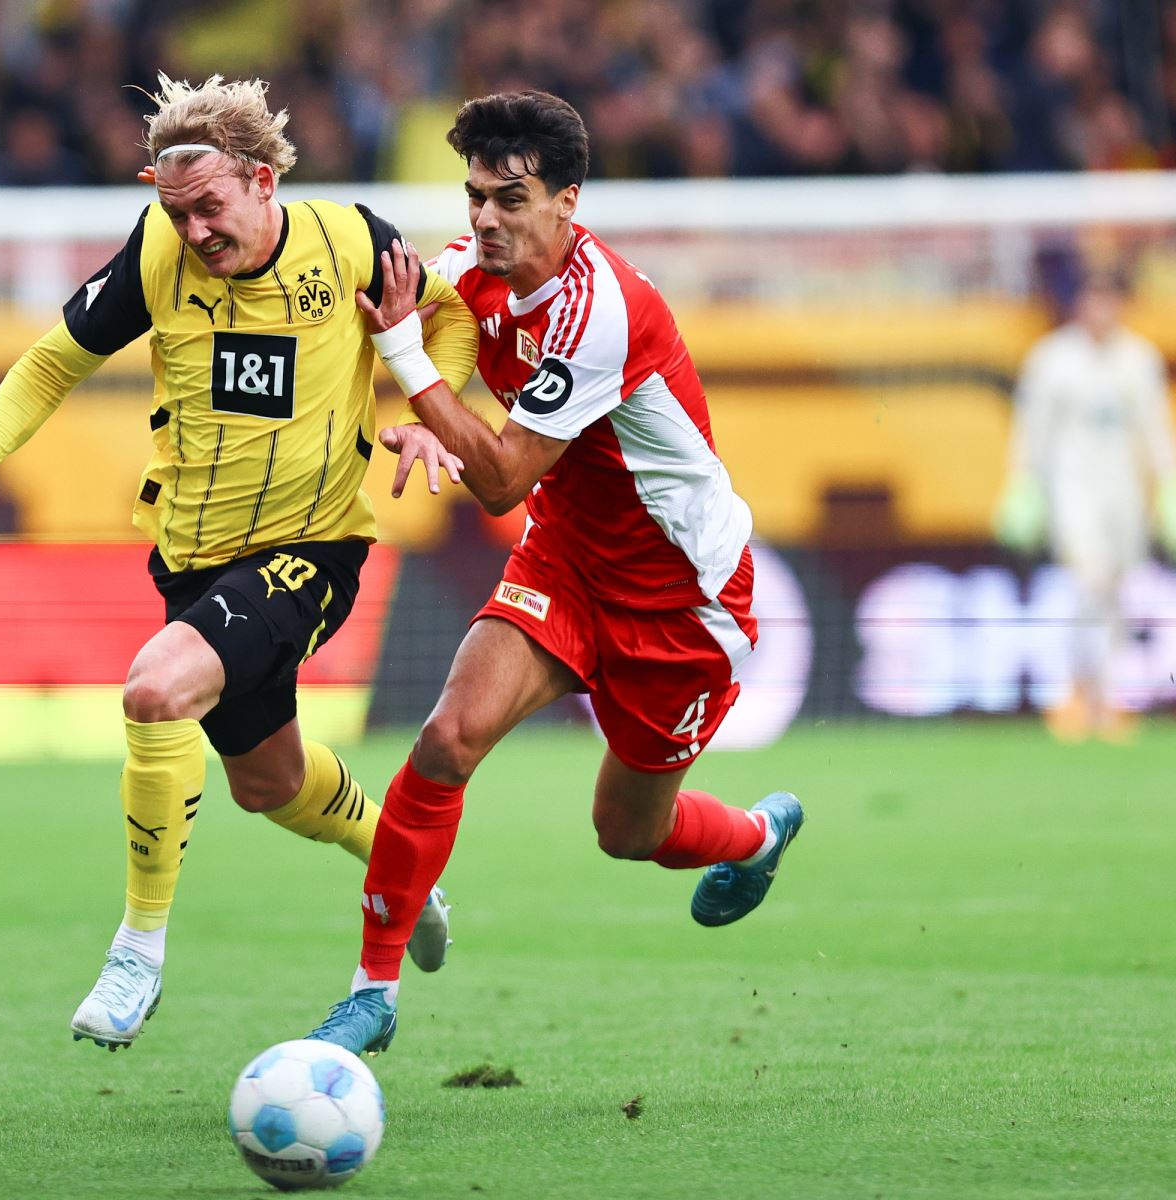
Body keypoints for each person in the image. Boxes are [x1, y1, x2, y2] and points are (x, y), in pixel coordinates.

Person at [0, 74, 478, 1053]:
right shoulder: (158, 251)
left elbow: (450, 316)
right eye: (177, 211)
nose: (196, 231)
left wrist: (431, 408)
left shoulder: (351, 243)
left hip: (311, 549)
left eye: (211, 207)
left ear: (261, 181)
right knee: (272, 784)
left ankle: (138, 949)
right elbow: (51, 362)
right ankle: (401, 865)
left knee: (157, 690)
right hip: (192, 559)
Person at [299, 91, 806, 1056]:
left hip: (684, 602)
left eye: (513, 199)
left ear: (569, 202)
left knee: (626, 831)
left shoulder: (598, 310)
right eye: (476, 195)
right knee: (448, 737)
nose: (486, 218)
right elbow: (414, 308)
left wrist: (415, 368)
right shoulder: (466, 266)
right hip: (568, 560)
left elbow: (496, 479)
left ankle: (752, 837)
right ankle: (373, 988)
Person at [994, 268, 1176, 742]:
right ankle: (1075, 690)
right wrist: (1021, 485)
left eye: (1111, 299)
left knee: (1113, 590)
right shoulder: (1051, 359)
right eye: (1094, 298)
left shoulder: (1138, 358)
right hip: (1072, 490)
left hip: (1124, 494)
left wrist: (1175, 484)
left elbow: (1157, 429)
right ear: (1079, 304)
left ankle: (1104, 695)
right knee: (1089, 580)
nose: (1102, 310)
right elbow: (1032, 431)